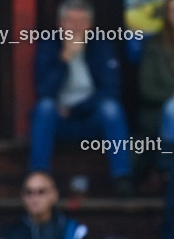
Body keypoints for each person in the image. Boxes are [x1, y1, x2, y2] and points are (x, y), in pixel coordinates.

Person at [28, 0, 133, 197]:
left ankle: (122, 178)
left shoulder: (101, 45)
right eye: (70, 21)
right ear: (60, 24)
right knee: (44, 108)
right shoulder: (49, 45)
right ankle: (38, 176)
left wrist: (78, 109)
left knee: (111, 109)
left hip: (90, 117)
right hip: (59, 120)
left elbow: (111, 90)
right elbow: (43, 90)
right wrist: (64, 59)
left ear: (90, 25)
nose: (76, 27)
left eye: (81, 21)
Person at [0, 170, 88, 239]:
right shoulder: (12, 233)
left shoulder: (73, 230)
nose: (34, 198)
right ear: (22, 196)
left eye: (41, 192)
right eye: (29, 192)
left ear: (54, 195)